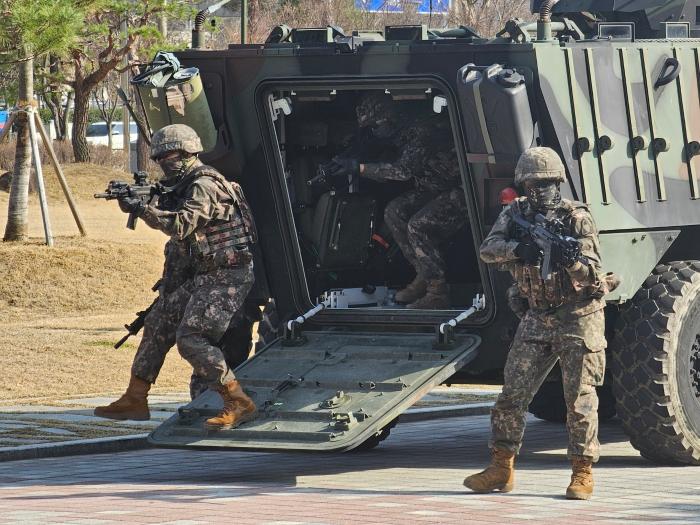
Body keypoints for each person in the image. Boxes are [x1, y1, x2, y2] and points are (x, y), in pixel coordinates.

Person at [463, 147, 617, 500]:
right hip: (537, 315)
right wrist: (522, 249)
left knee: (580, 400)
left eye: (546, 183)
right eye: (532, 183)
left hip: (579, 316)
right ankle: (501, 466)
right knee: (511, 396)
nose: (539, 190)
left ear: (558, 182)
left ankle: (582, 471)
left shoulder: (577, 218)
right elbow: (489, 250)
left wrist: (570, 262)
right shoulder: (515, 213)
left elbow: (594, 276)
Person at [94, 124, 258, 431]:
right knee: (158, 320)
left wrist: (142, 209)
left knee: (191, 338)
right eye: (157, 158)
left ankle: (238, 401)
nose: (161, 163)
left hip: (228, 275)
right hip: (206, 274)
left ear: (184, 153)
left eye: (165, 156)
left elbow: (182, 226)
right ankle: (135, 397)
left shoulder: (205, 184)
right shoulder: (184, 184)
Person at [326, 93, 467, 309]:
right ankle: (423, 274)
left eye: (375, 125)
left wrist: (360, 168)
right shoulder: (399, 133)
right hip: (435, 188)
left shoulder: (422, 131)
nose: (374, 131)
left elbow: (403, 171)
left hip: (462, 191)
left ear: (388, 119)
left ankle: (437, 292)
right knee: (395, 211)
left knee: (417, 226)